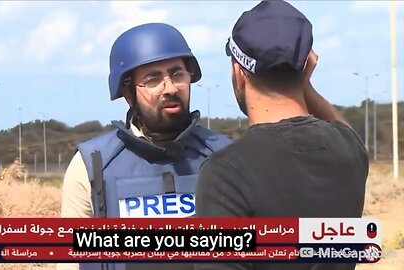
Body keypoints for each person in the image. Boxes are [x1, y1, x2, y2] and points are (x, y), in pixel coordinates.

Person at [194, 1, 369, 270]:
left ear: (239, 73)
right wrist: (303, 83)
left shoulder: (226, 173)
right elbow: (343, 127)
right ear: (306, 68)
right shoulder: (349, 151)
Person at [57, 23, 233, 270]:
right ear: (127, 93)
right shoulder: (91, 166)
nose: (170, 88)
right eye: (153, 79)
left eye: (177, 74)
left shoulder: (227, 157)